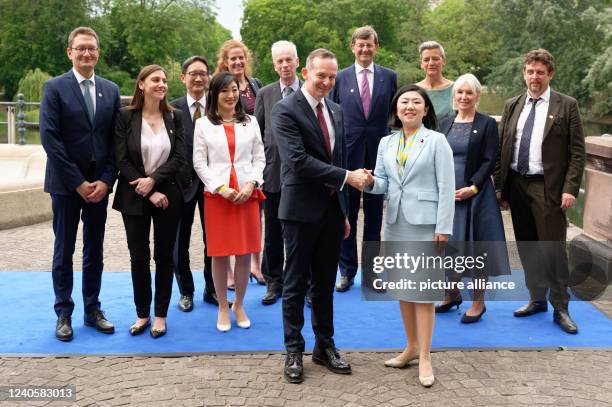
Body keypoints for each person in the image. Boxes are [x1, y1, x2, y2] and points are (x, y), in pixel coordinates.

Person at [271, 48, 371, 384]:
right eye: (321, 76)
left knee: (325, 286)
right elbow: (297, 161)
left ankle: (324, 347)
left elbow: (338, 155)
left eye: (331, 77)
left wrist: (343, 210)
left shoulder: (337, 110)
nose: (327, 82)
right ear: (306, 73)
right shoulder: (284, 110)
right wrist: (347, 177)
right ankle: (294, 350)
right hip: (299, 212)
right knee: (296, 284)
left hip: (331, 212)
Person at [365, 84, 454, 387]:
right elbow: (382, 183)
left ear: (426, 109)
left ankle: (426, 356)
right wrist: (366, 182)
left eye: (417, 102)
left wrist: (444, 228)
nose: (410, 107)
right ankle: (411, 347)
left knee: (424, 293)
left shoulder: (436, 141)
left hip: (427, 225)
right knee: (403, 288)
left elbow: (446, 188)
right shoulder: (386, 143)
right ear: (396, 109)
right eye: (404, 102)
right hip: (396, 223)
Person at [495, 49, 585, 334]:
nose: (535, 77)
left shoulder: (566, 105)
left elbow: (577, 153)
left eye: (540, 73)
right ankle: (536, 298)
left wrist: (570, 188)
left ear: (550, 75)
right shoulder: (513, 104)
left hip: (548, 188)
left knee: (552, 248)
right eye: (530, 72)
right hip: (517, 185)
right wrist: (501, 187)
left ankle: (561, 306)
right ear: (524, 73)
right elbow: (502, 148)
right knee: (528, 245)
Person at [40, 26, 121, 342]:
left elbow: (117, 141)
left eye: (92, 48)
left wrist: (105, 180)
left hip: (99, 186)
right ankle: (63, 312)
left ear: (98, 52)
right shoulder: (54, 88)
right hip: (65, 186)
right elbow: (50, 137)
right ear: (70, 52)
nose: (87, 53)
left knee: (94, 251)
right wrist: (77, 182)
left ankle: (92, 309)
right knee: (64, 250)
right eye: (81, 48)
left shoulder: (111, 90)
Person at [113, 64, 185, 338]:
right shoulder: (125, 117)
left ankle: (160, 316)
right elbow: (121, 159)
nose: (162, 84)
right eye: (156, 79)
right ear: (141, 84)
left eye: (165, 80)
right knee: (138, 257)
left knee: (165, 256)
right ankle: (142, 314)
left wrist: (154, 181)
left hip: (168, 196)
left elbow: (179, 158)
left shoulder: (174, 117)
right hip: (133, 196)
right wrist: (146, 188)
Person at [193, 72, 265, 332]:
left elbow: (260, 158)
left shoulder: (251, 122)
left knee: (245, 252)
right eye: (224, 90)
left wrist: (252, 183)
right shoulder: (203, 125)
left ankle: (240, 304)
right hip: (219, 196)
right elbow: (199, 162)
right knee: (220, 253)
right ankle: (223, 305)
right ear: (214, 94)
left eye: (234, 89)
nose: (231, 95)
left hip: (247, 194)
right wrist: (220, 187)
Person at [437, 74, 509, 323]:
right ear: (454, 96)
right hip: (448, 195)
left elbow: (491, 160)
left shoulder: (487, 123)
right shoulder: (444, 123)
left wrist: (473, 187)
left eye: (469, 92)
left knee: (477, 248)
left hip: (476, 196)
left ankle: (478, 301)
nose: (464, 97)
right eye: (460, 92)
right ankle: (451, 293)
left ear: (477, 95)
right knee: (449, 245)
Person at [331, 25, 397, 293]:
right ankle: (347, 272)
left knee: (373, 217)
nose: (365, 49)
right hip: (347, 157)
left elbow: (394, 117)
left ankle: (372, 273)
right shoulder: (340, 77)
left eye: (369, 44)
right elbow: (333, 115)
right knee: (346, 215)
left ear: (376, 47)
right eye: (360, 44)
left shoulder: (389, 77)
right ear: (352, 47)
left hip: (379, 157)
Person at [254, 41, 302, 305]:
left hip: (302, 175)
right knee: (272, 233)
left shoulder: (309, 91)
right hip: (271, 173)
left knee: (300, 234)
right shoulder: (266, 94)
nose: (284, 65)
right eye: (279, 61)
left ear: (297, 62)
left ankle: (302, 282)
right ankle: (274, 282)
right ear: (274, 65)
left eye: (288, 60)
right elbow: (258, 135)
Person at [214, 39, 265, 286]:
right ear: (225, 61)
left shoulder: (256, 85)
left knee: (256, 215)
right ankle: (231, 273)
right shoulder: (221, 86)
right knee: (229, 219)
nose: (237, 62)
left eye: (241, 57)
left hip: (252, 158)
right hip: (227, 159)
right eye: (232, 58)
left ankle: (256, 264)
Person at [171, 56, 219, 311]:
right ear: (183, 77)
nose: (198, 78)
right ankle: (185, 291)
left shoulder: (218, 108)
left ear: (209, 77)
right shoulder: (172, 109)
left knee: (213, 241)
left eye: (203, 73)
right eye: (193, 74)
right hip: (181, 185)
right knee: (180, 241)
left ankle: (212, 289)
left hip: (214, 186)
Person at [415, 41, 453, 122]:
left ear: (444, 61)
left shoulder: (456, 89)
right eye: (426, 60)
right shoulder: (413, 90)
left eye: (435, 59)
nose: (431, 63)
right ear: (421, 63)